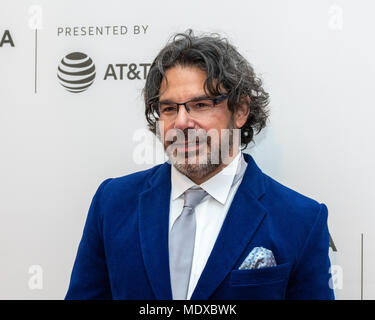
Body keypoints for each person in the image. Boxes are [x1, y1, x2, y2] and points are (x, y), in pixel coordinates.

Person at [65, 30, 334, 300]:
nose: (181, 122)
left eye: (201, 104)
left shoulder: (301, 219)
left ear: (240, 110)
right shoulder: (112, 203)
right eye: (169, 108)